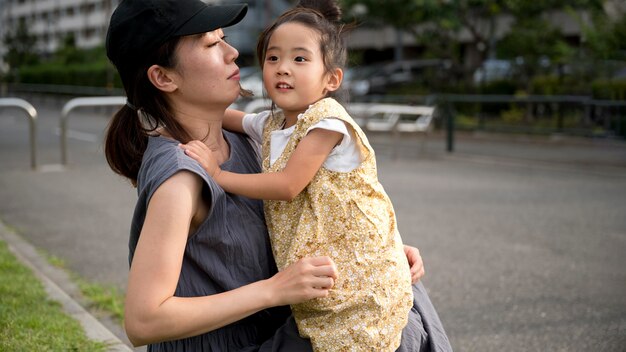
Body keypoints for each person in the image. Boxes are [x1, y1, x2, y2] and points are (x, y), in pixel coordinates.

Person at [105, 0, 449, 350]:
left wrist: (371, 251)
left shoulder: (247, 140)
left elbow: (303, 215)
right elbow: (143, 321)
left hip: (280, 329)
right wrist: (274, 289)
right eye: (211, 44)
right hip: (238, 342)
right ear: (163, 77)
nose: (232, 51)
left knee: (406, 301)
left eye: (224, 38)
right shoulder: (182, 177)